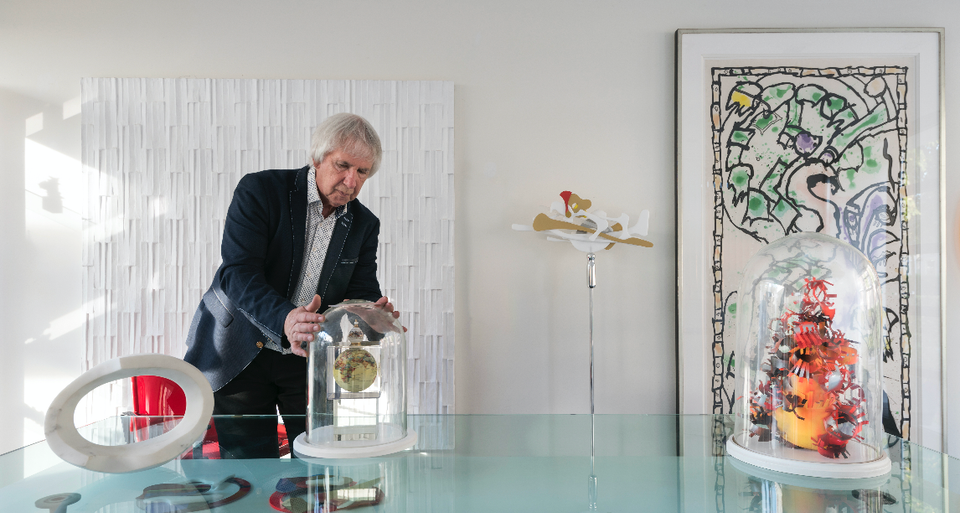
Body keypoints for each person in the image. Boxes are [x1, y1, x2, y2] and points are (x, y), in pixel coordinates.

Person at [184, 113, 399, 458]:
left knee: (318, 462)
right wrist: (285, 318)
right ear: (317, 158)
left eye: (362, 171)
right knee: (250, 468)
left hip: (307, 358)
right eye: (343, 165)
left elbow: (360, 288)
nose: (351, 181)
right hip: (239, 350)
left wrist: (372, 312)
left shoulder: (364, 223)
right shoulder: (260, 190)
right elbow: (238, 273)